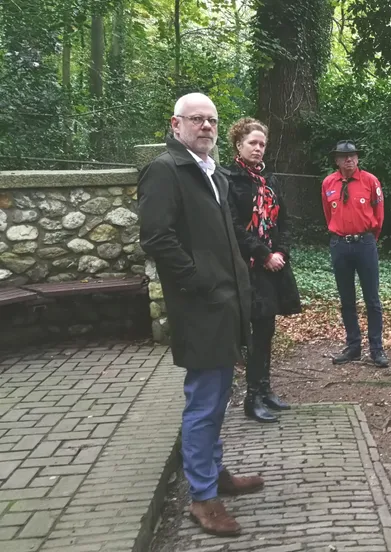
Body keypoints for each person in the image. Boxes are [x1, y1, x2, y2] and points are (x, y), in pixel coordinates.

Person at [138, 93, 263, 537]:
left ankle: (215, 473)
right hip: (202, 305)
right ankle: (203, 498)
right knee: (204, 401)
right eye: (197, 120)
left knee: (218, 396)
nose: (207, 126)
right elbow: (156, 237)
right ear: (176, 125)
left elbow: (224, 237)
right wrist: (199, 281)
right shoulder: (166, 169)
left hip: (226, 303)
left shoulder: (213, 173)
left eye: (212, 120)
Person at [222, 117, 302, 424]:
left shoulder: (270, 180)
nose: (258, 149)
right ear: (238, 145)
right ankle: (251, 398)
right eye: (252, 143)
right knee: (254, 334)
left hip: (273, 267)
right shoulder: (229, 179)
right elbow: (232, 226)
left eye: (262, 144)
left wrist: (280, 251)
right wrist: (264, 254)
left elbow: (284, 221)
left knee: (267, 330)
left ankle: (265, 389)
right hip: (248, 267)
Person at [321, 141, 389, 368]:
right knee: (346, 298)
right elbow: (327, 214)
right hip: (340, 245)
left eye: (352, 156)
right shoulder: (328, 183)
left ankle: (377, 349)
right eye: (343, 156)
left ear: (358, 158)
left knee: (372, 299)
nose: (348, 159)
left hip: (365, 243)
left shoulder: (370, 181)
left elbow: (379, 214)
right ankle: (353, 346)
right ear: (337, 160)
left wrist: (369, 239)